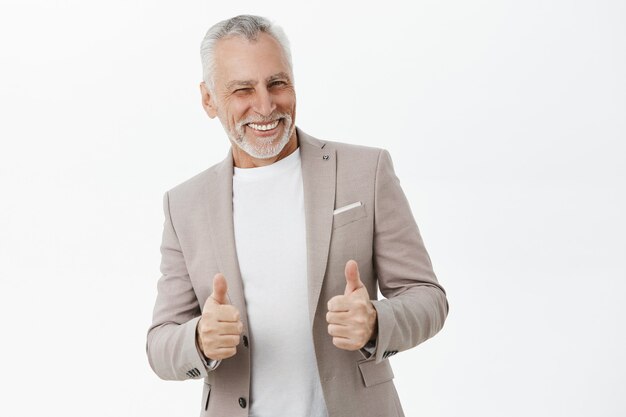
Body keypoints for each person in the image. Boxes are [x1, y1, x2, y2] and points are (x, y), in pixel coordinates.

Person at [146, 14, 448, 417]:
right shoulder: (185, 204)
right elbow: (160, 344)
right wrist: (199, 339)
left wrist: (376, 321)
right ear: (208, 100)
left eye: (277, 83)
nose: (266, 106)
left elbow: (428, 297)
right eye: (242, 90)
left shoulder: (365, 171)